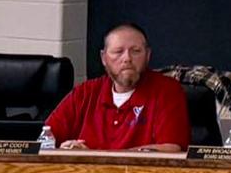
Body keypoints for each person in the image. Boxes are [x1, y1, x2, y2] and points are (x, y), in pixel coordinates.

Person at [45, 23, 189, 152]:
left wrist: (94, 157)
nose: (127, 58)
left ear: (148, 55)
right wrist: (66, 151)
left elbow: (170, 148)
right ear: (103, 58)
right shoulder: (84, 93)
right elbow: (45, 140)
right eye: (118, 51)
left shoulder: (167, 90)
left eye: (136, 51)